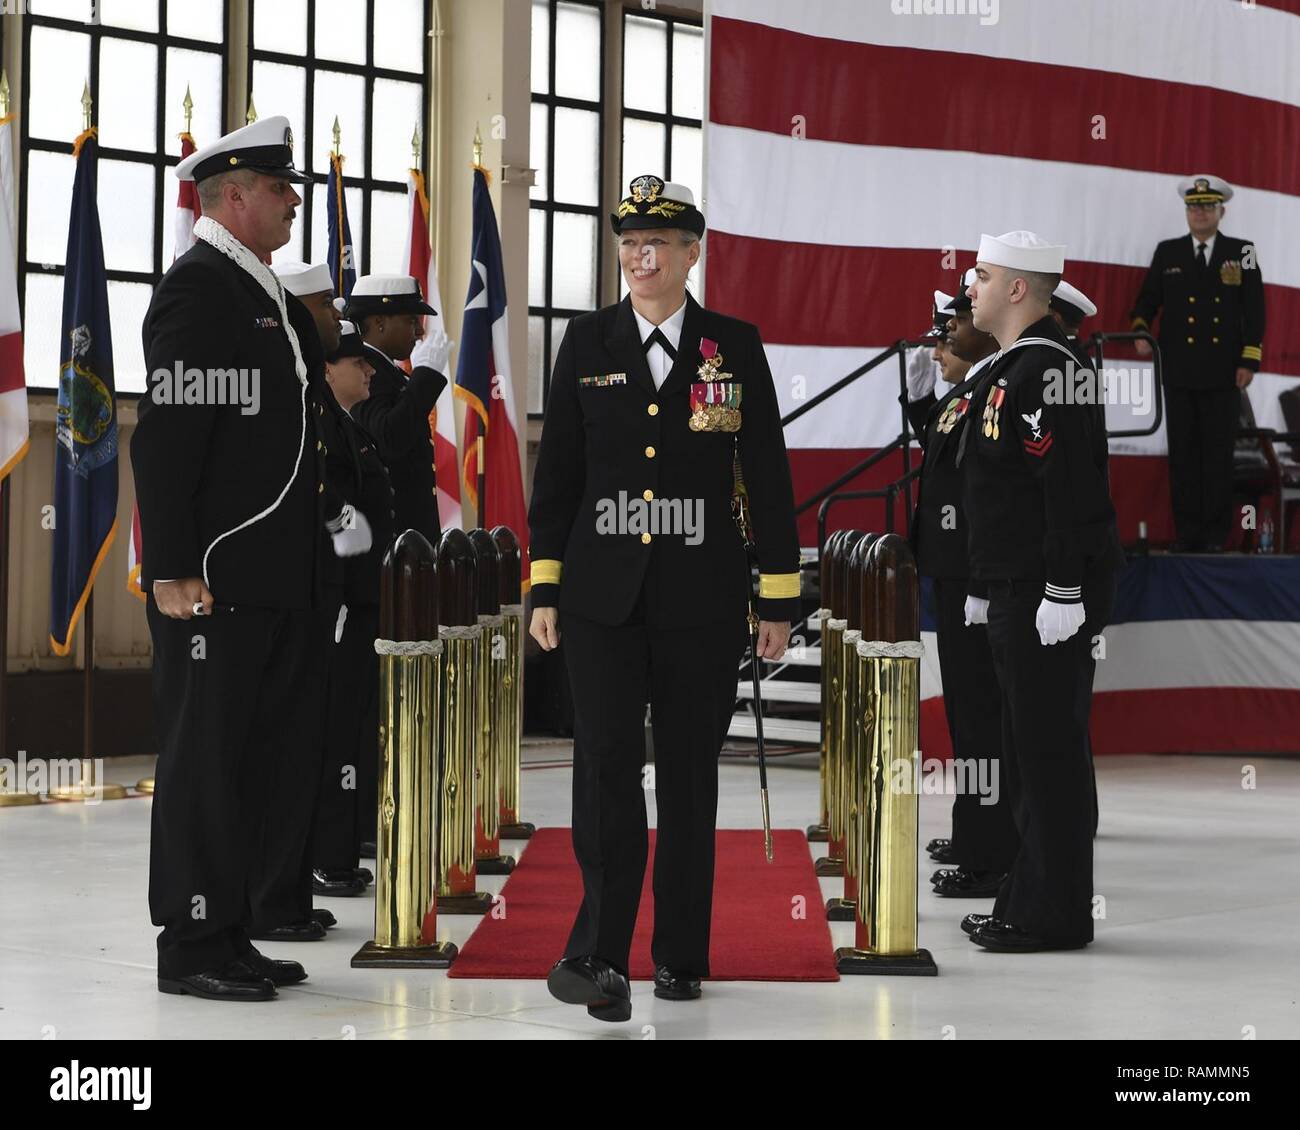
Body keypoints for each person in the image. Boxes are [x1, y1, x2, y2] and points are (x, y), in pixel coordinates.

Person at [528, 174, 800, 1021]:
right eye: (627, 246)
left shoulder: (733, 347)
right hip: (601, 602)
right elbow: (561, 474)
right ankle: (599, 952)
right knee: (604, 766)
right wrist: (545, 583)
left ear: (691, 253)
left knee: (686, 778)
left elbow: (764, 471)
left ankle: (680, 952)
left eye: (656, 245)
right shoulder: (587, 342)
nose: (639, 258)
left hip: (702, 601)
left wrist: (777, 597)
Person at [133, 116, 367, 1000]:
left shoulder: (256, 289)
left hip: (273, 577)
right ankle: (191, 943)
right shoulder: (201, 288)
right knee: (205, 763)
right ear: (233, 196)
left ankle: (230, 931)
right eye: (280, 188)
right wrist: (172, 564)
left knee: (253, 761)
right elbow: (166, 440)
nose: (295, 200)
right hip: (216, 579)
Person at [957, 231, 1123, 952]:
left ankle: (1053, 914)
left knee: (1047, 753)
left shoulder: (1055, 369)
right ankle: (1027, 896)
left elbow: (1071, 488)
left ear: (1019, 289)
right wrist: (982, 582)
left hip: (1043, 594)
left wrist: (1063, 589)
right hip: (1014, 586)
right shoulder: (1013, 368)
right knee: (1026, 752)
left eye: (984, 274)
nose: (971, 285)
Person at [905, 277, 1015, 898]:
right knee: (969, 719)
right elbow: (945, 457)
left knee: (982, 719)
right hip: (953, 575)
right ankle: (976, 836)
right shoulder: (970, 390)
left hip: (974, 577)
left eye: (952, 328)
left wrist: (977, 578)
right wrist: (922, 399)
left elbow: (986, 494)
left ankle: (991, 852)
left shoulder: (996, 386)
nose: (943, 340)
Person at [272, 264, 377, 904]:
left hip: (344, 597)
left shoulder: (332, 415)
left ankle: (313, 871)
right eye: (352, 360)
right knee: (313, 736)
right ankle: (313, 868)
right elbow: (320, 497)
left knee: (335, 732)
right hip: (318, 595)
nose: (364, 370)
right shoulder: (303, 405)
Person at [1130, 175, 1266, 552]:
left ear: (1221, 210)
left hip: (1224, 373)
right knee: (1184, 457)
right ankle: (1187, 536)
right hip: (1179, 371)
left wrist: (1249, 360)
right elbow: (1144, 304)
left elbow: (1254, 311)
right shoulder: (1168, 252)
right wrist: (1141, 331)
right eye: (1194, 207)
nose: (1200, 213)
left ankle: (1215, 538)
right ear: (1186, 212)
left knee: (1218, 458)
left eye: (1207, 206)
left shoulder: (1243, 251)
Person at [313, 320, 396, 888]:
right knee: (335, 727)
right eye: (355, 362)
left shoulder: (351, 430)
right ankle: (326, 855)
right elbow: (334, 518)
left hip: (364, 600)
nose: (368, 369)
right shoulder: (322, 428)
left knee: (354, 724)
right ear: (325, 369)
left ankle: (339, 850)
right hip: (341, 600)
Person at [345, 275, 452, 547]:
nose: (419, 332)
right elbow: (389, 437)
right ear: (379, 322)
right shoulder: (365, 372)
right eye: (411, 321)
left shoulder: (387, 371)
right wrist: (425, 378)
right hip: (392, 540)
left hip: (410, 541)